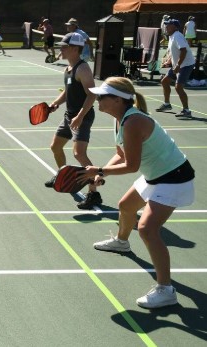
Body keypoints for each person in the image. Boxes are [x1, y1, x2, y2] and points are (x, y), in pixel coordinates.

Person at [83, 77, 195, 309]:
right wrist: (101, 173)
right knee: (126, 206)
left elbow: (132, 166)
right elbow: (122, 156)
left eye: (102, 96)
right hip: (155, 174)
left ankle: (166, 290)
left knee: (147, 229)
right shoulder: (120, 120)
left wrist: (100, 170)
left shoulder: (133, 122)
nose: (97, 99)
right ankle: (122, 242)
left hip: (174, 177)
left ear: (117, 99)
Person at [44, 32, 102, 209]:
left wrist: (80, 116)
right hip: (70, 116)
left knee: (79, 154)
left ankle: (94, 194)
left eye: (64, 46)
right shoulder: (68, 69)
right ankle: (64, 176)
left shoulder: (83, 69)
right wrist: (55, 103)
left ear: (75, 49)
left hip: (81, 117)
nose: (61, 48)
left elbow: (92, 95)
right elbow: (68, 92)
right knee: (55, 146)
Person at [156, 18, 195, 118]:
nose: (166, 26)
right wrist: (168, 61)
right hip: (177, 64)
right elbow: (173, 52)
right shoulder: (171, 36)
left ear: (175, 27)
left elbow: (183, 50)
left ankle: (186, 111)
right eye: (166, 25)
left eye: (169, 25)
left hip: (186, 64)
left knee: (178, 87)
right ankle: (167, 104)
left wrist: (178, 65)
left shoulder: (177, 36)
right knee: (165, 82)